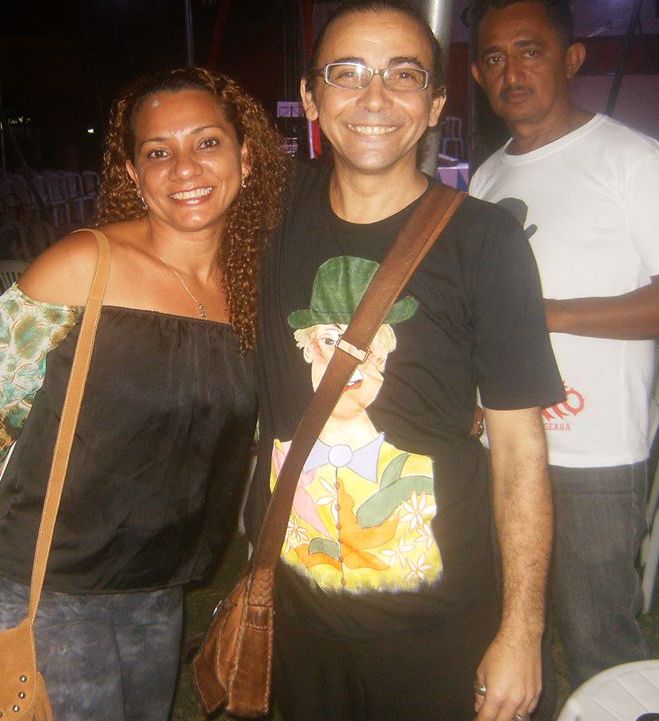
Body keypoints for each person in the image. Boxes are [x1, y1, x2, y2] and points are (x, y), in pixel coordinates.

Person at [0, 67, 287, 721]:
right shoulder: (84, 267)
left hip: (158, 578)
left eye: (207, 142)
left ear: (245, 156)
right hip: (47, 581)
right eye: (158, 152)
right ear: (133, 174)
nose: (185, 168)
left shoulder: (255, 285)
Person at [244, 2, 565, 720]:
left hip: (440, 626)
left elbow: (519, 450)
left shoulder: (486, 242)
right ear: (310, 98)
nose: (374, 97)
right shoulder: (264, 220)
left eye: (403, 75)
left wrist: (522, 630)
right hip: (297, 624)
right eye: (347, 73)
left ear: (435, 104)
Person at [469, 0, 659, 693]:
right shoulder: (486, 178)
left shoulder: (630, 160)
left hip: (593, 453)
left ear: (572, 58)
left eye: (530, 51)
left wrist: (545, 315)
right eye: (494, 58)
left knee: (599, 641)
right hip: (503, 446)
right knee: (513, 631)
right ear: (477, 74)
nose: (512, 72)